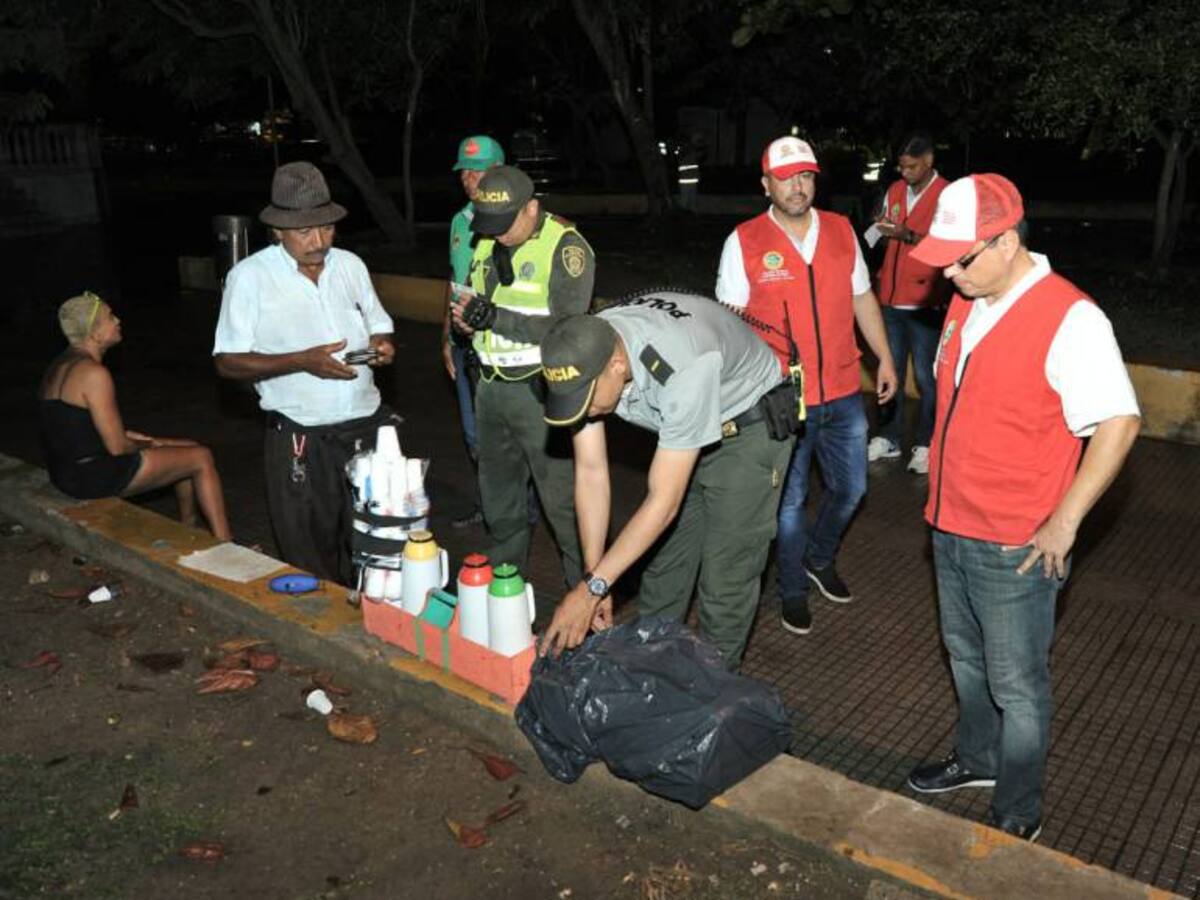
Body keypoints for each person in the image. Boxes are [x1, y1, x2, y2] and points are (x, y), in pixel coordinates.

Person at [903, 174, 1140, 841]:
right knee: (965, 658)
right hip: (950, 525)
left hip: (1015, 542)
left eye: (964, 256)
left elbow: (1118, 423)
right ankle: (977, 760)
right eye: (943, 258)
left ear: (1007, 239)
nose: (949, 272)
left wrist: (1065, 520)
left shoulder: (1071, 317)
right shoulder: (968, 299)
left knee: (1018, 686)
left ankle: (1019, 805)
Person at [536, 291, 797, 668]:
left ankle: (712, 694)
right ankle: (653, 677)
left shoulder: (681, 366)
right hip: (684, 429)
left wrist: (592, 590)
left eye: (587, 401)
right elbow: (592, 472)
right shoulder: (591, 346)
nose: (585, 412)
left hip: (746, 429)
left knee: (725, 579)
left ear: (616, 364)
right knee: (664, 570)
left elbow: (664, 502)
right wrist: (596, 579)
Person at [715, 136, 898, 636]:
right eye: (785, 177)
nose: (797, 186)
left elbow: (862, 299)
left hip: (841, 388)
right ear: (765, 184)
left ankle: (819, 559)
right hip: (780, 399)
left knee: (853, 487)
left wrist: (884, 357)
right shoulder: (745, 241)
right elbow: (728, 323)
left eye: (805, 176)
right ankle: (792, 589)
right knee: (789, 504)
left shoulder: (841, 231)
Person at [213, 161, 397, 585]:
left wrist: (384, 345)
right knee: (308, 551)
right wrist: (299, 360)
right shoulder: (250, 278)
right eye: (304, 232)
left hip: (367, 430)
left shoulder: (349, 265)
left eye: (327, 228)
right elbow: (227, 362)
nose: (318, 241)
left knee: (380, 548)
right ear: (278, 230)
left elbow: (378, 322)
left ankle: (376, 633)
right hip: (300, 437)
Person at [450, 165, 586, 587]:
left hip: (540, 393)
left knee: (564, 505)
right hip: (489, 389)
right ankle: (505, 587)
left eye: (507, 223)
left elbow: (570, 330)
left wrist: (495, 318)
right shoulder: (488, 241)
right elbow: (475, 302)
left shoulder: (565, 247)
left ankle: (586, 594)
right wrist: (467, 323)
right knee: (500, 501)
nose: (498, 234)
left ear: (532, 208)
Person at [39, 292, 232, 540]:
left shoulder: (59, 365)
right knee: (202, 457)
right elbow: (118, 447)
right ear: (95, 334)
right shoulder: (93, 374)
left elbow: (73, 428)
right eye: (110, 317)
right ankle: (226, 544)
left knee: (189, 448)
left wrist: (146, 441)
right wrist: (152, 443)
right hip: (90, 477)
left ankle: (189, 525)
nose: (118, 320)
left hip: (66, 472)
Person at [868, 132, 950, 474]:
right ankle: (888, 438)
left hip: (924, 302)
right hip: (890, 297)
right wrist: (880, 228)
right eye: (900, 167)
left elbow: (947, 245)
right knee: (891, 371)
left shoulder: (947, 195)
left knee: (926, 377)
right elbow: (885, 234)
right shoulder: (896, 191)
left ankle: (926, 444)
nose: (904, 173)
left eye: (912, 167)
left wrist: (908, 236)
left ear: (929, 161)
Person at [443, 134, 505, 528]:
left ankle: (519, 515)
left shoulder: (521, 222)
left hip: (502, 350)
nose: (469, 179)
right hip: (464, 346)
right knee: (473, 436)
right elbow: (453, 280)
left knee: (510, 440)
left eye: (478, 170)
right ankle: (490, 508)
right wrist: (446, 339)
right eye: (465, 171)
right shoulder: (459, 221)